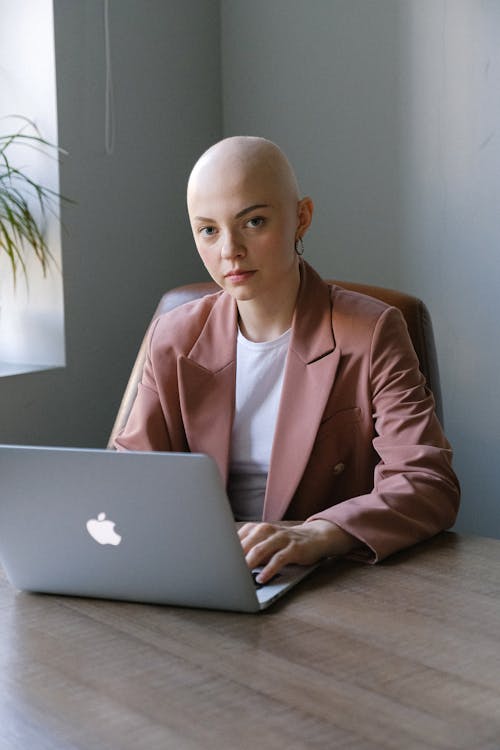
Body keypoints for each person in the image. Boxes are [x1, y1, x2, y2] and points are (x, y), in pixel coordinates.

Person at [115, 136, 460, 583]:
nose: (229, 251)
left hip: (321, 578)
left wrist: (317, 535)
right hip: (200, 571)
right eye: (208, 230)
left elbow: (427, 482)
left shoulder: (372, 331)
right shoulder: (174, 336)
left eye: (253, 221)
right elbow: (129, 475)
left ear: (302, 217)